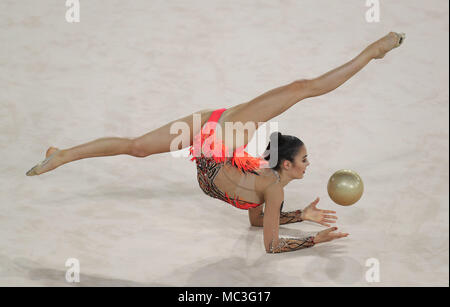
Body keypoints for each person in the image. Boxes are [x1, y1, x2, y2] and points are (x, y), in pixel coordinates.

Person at [26, 32, 405, 253]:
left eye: (307, 159)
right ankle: (374, 51)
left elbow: (260, 226)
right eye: (305, 160)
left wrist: (302, 218)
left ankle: (63, 153)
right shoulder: (272, 187)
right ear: (285, 165)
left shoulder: (272, 188)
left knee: (138, 147)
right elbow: (272, 244)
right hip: (219, 142)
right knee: (302, 89)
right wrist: (313, 240)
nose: (310, 165)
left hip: (213, 139)